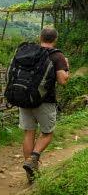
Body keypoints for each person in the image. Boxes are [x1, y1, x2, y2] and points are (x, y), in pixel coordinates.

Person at [16, 27, 70, 182]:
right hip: (45, 101)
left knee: (29, 133)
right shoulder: (57, 55)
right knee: (47, 133)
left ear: (40, 37)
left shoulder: (28, 52)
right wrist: (68, 68)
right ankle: (33, 158)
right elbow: (62, 80)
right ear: (55, 39)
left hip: (24, 99)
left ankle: (30, 174)